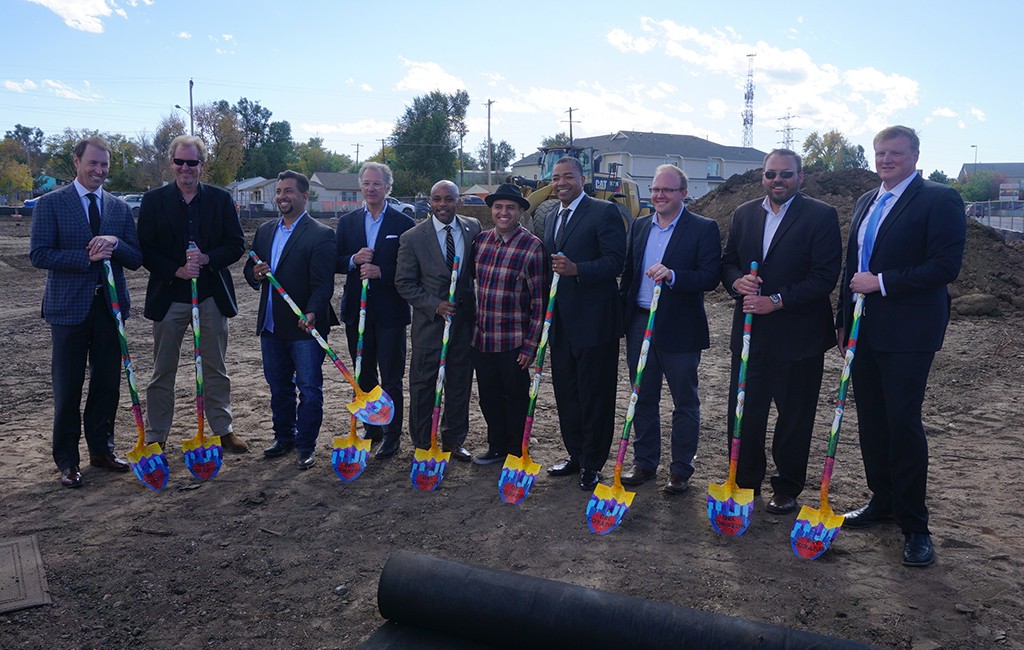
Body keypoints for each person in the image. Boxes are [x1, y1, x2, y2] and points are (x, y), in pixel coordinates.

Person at [837, 126, 966, 568]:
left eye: (895, 153)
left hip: (909, 333)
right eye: (880, 153)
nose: (886, 160)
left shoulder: (938, 199)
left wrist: (883, 283)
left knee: (903, 423)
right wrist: (842, 321)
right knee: (872, 420)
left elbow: (945, 266)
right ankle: (883, 501)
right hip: (863, 331)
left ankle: (915, 525)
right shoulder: (865, 201)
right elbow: (851, 267)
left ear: (914, 155)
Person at [720, 148, 841, 514]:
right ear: (763, 177)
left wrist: (776, 300)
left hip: (799, 338)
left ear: (800, 177)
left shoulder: (821, 216)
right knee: (744, 413)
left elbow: (824, 277)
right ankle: (744, 482)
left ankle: (787, 487)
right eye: (771, 174)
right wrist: (736, 282)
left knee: (794, 417)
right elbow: (728, 263)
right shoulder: (744, 214)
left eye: (786, 174)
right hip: (750, 336)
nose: (778, 181)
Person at [29, 136, 142, 487]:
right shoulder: (50, 204)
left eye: (104, 165)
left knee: (107, 385)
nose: (99, 170)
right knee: (68, 387)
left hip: (109, 311)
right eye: (93, 163)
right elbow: (40, 255)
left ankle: (101, 450)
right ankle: (67, 460)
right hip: (68, 312)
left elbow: (136, 259)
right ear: (77, 162)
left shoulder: (119, 208)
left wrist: (116, 244)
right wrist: (86, 257)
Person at [137, 135, 248, 453]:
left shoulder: (220, 200)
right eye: (180, 162)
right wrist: (177, 270)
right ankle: (157, 434)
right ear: (171, 163)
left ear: (202, 165)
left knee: (215, 366)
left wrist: (206, 259)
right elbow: (145, 249)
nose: (186, 168)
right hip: (169, 296)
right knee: (163, 369)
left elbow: (236, 244)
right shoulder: (154, 201)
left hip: (211, 295)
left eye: (193, 162)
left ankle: (223, 429)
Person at [619, 165, 721, 494]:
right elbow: (629, 275)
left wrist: (674, 275)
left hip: (680, 328)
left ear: (683, 193)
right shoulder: (638, 226)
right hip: (640, 323)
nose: (658, 195)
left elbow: (710, 277)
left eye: (667, 190)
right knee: (642, 396)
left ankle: (680, 469)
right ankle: (644, 462)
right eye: (655, 189)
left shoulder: (703, 228)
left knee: (685, 401)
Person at [244, 171, 338, 470]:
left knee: (309, 389)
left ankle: (305, 445)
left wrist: (312, 312)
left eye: (289, 192)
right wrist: (255, 275)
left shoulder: (321, 234)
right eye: (279, 191)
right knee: (278, 385)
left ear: (304, 196)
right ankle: (284, 437)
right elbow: (251, 271)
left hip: (303, 327)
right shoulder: (265, 230)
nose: (282, 196)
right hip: (271, 325)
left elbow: (323, 284)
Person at [542, 157, 626, 490]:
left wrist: (578, 269)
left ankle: (593, 462)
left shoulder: (603, 212)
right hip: (560, 323)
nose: (561, 183)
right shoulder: (550, 218)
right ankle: (575, 455)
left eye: (568, 177)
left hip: (594, 322)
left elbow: (615, 262)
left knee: (595, 394)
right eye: (556, 178)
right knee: (567, 393)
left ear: (582, 179)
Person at [395, 180, 481, 460]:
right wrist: (435, 305)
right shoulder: (412, 237)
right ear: (429, 202)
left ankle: (453, 441)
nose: (442, 204)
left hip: (464, 324)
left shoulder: (472, 229)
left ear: (458, 201)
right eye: (437, 199)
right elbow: (404, 283)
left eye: (448, 199)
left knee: (459, 385)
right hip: (429, 327)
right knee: (423, 386)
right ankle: (423, 444)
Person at [335, 162, 415, 458]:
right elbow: (335, 260)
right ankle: (373, 427)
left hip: (390, 312)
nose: (371, 189)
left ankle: (392, 435)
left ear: (387, 188)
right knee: (363, 374)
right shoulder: (348, 223)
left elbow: (410, 268)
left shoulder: (403, 224)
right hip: (357, 310)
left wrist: (382, 271)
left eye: (377, 184)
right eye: (366, 183)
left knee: (391, 377)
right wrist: (353, 260)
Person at [470, 183, 545, 465]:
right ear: (492, 211)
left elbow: (539, 302)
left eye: (510, 208)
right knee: (488, 397)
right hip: (482, 338)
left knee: (515, 398)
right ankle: (496, 445)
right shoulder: (481, 241)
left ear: (519, 212)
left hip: (514, 340)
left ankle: (517, 451)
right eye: (499, 207)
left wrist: (531, 345)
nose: (503, 213)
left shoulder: (533, 247)